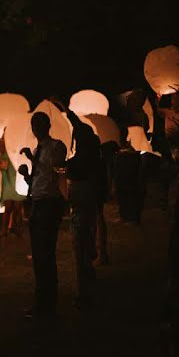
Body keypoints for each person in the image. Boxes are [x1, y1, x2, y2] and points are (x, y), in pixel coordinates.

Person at [18, 111, 68, 322]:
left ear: (47, 125)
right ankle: (42, 302)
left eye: (39, 124)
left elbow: (56, 173)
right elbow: (39, 179)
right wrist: (26, 175)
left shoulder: (56, 147)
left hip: (50, 203)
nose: (35, 128)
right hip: (37, 202)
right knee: (39, 255)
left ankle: (48, 303)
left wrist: (32, 161)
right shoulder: (38, 149)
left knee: (46, 253)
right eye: (33, 124)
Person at [61, 108, 107, 309]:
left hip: (79, 207)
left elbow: (67, 170)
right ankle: (90, 275)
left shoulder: (79, 162)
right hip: (90, 206)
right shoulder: (96, 160)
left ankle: (83, 293)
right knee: (86, 243)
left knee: (79, 248)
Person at [0, 136, 26, 239]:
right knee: (10, 208)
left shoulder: (15, 152)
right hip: (8, 184)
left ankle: (16, 229)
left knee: (16, 209)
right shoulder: (4, 154)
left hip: (17, 182)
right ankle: (6, 230)